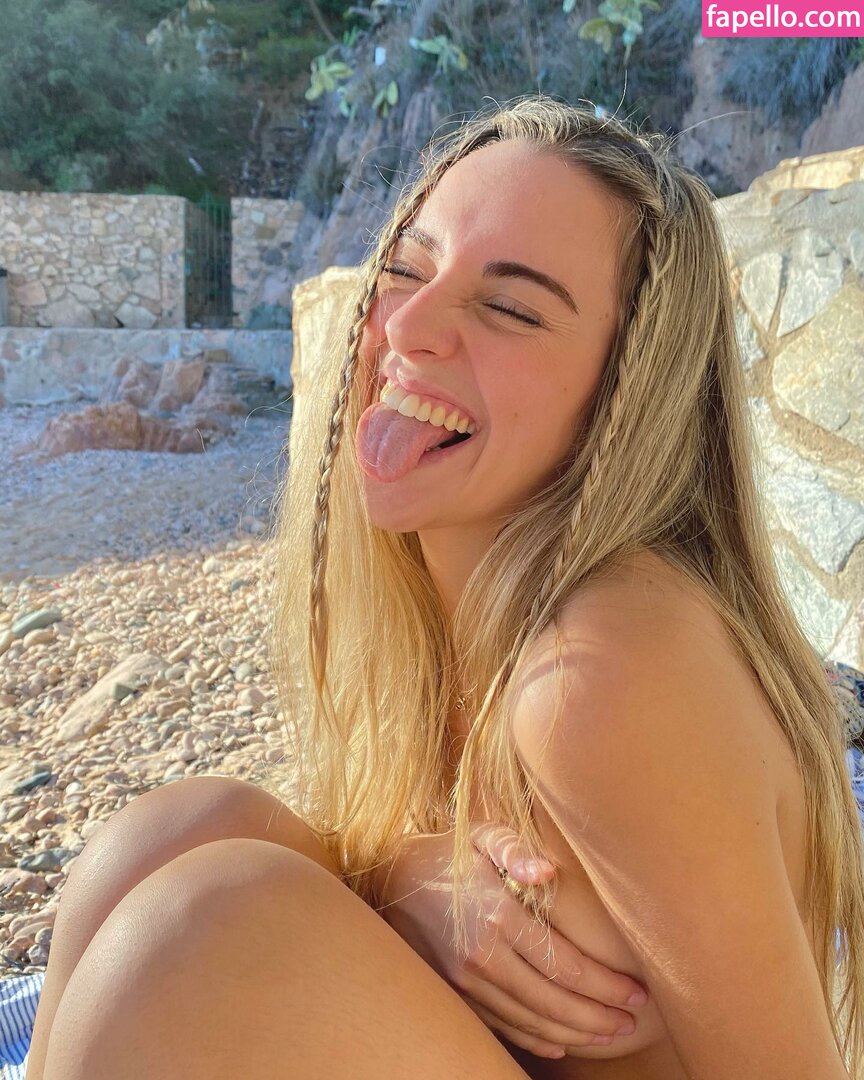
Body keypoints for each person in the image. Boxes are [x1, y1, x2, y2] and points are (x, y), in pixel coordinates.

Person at [27, 95, 864, 1080]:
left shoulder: (602, 671)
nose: (409, 326)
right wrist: (407, 873)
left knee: (200, 931)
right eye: (407, 270)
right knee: (176, 837)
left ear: (628, 397)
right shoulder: (458, 611)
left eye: (510, 308)